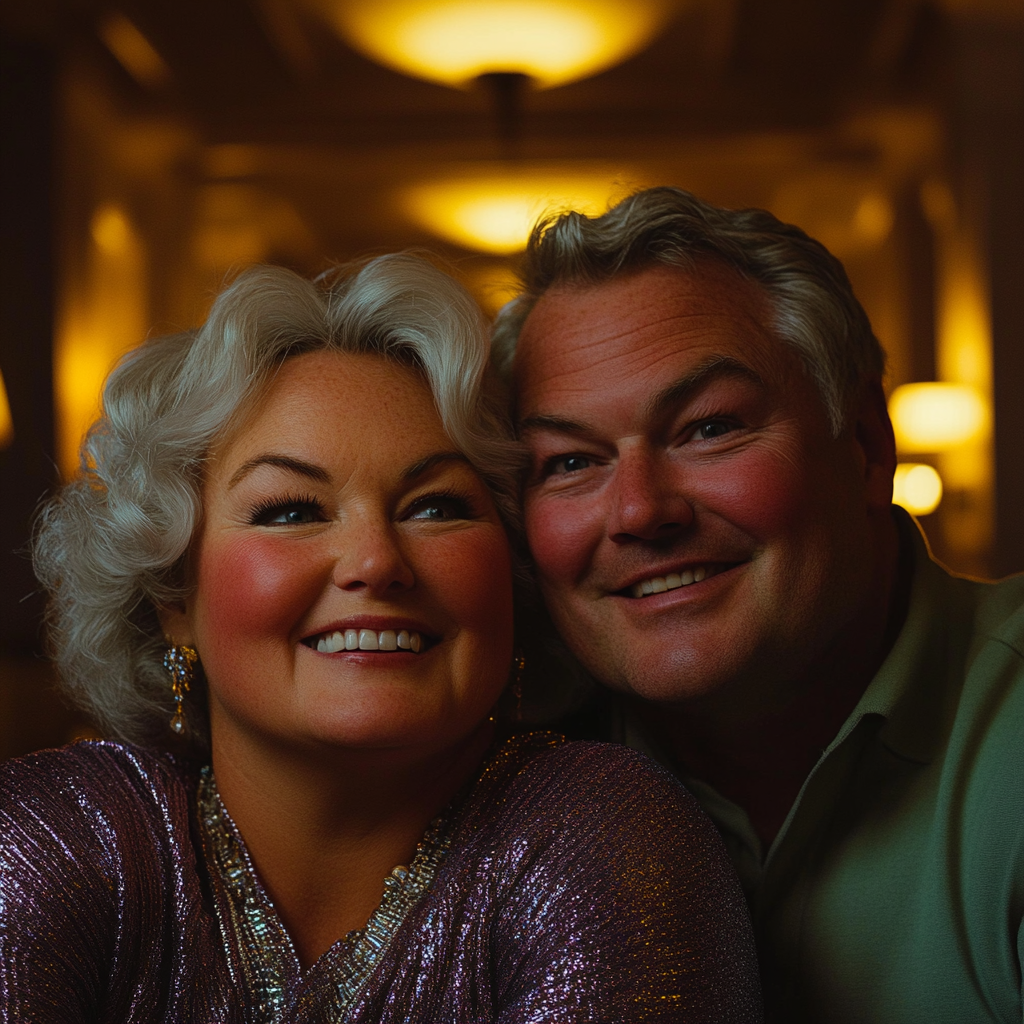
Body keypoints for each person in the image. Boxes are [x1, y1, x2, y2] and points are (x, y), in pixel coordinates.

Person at [0, 254, 762, 1022]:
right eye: (292, 510)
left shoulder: (609, 840)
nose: (376, 562)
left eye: (435, 507)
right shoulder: (60, 841)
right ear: (172, 595)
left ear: (511, 577)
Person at [492, 187, 1024, 1024]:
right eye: (569, 462)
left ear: (864, 447)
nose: (639, 511)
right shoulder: (493, 770)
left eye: (707, 428)